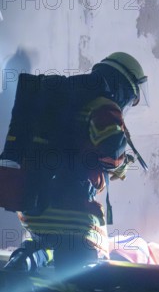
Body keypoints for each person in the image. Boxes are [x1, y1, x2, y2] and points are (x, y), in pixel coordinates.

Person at [0, 52, 148, 272]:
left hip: (35, 209)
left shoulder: (64, 102)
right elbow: (111, 152)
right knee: (81, 278)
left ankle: (27, 259)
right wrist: (122, 163)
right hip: (73, 218)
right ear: (124, 86)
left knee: (48, 249)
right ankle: (60, 290)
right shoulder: (104, 106)